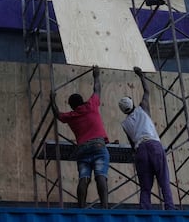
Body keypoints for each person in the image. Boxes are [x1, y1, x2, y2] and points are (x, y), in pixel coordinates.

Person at [50, 65, 110, 209]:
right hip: (98, 145)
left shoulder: (71, 116)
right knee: (100, 176)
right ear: (82, 100)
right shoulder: (91, 105)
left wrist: (52, 99)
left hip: (82, 149)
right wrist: (96, 75)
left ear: (71, 106)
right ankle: (105, 207)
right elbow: (97, 89)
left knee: (84, 178)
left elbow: (57, 114)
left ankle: (81, 207)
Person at [119, 66, 175, 210]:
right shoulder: (142, 108)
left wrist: (136, 154)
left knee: (145, 186)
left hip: (140, 150)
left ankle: (145, 210)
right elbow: (147, 91)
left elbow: (132, 143)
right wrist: (141, 75)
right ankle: (169, 206)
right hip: (154, 145)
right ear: (132, 102)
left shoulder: (125, 124)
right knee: (163, 180)